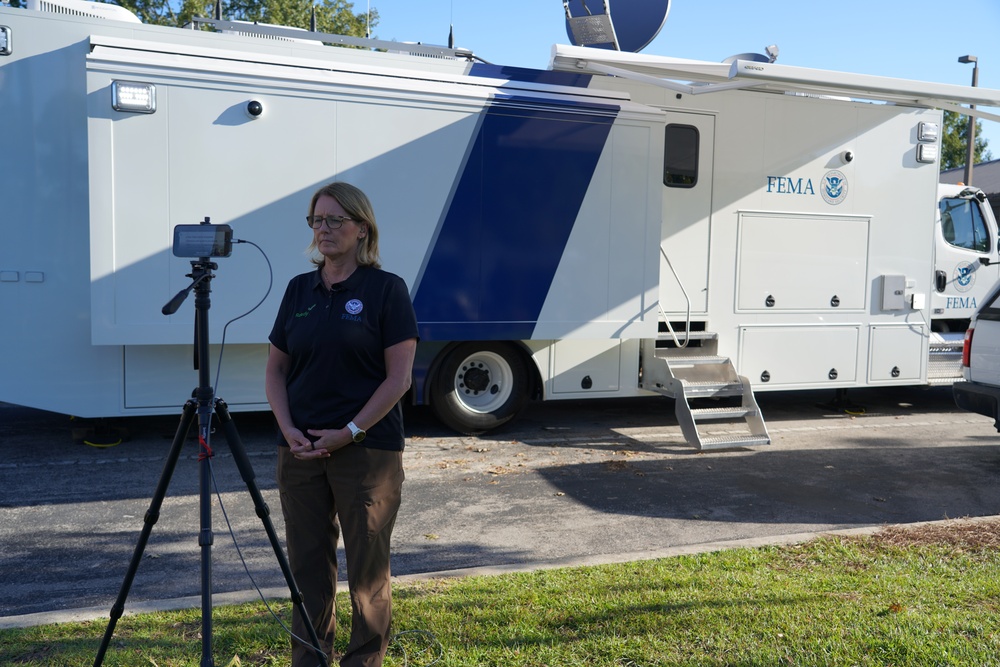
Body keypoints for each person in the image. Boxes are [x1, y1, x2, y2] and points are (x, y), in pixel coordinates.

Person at [265, 181, 419, 667]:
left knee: (368, 574)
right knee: (308, 567)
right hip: (302, 452)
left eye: (335, 220)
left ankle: (363, 661)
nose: (324, 229)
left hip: (366, 454)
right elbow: (275, 370)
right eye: (317, 220)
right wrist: (288, 429)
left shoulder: (386, 289)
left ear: (361, 228)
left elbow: (399, 379)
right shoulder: (298, 289)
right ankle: (309, 659)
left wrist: (350, 431)